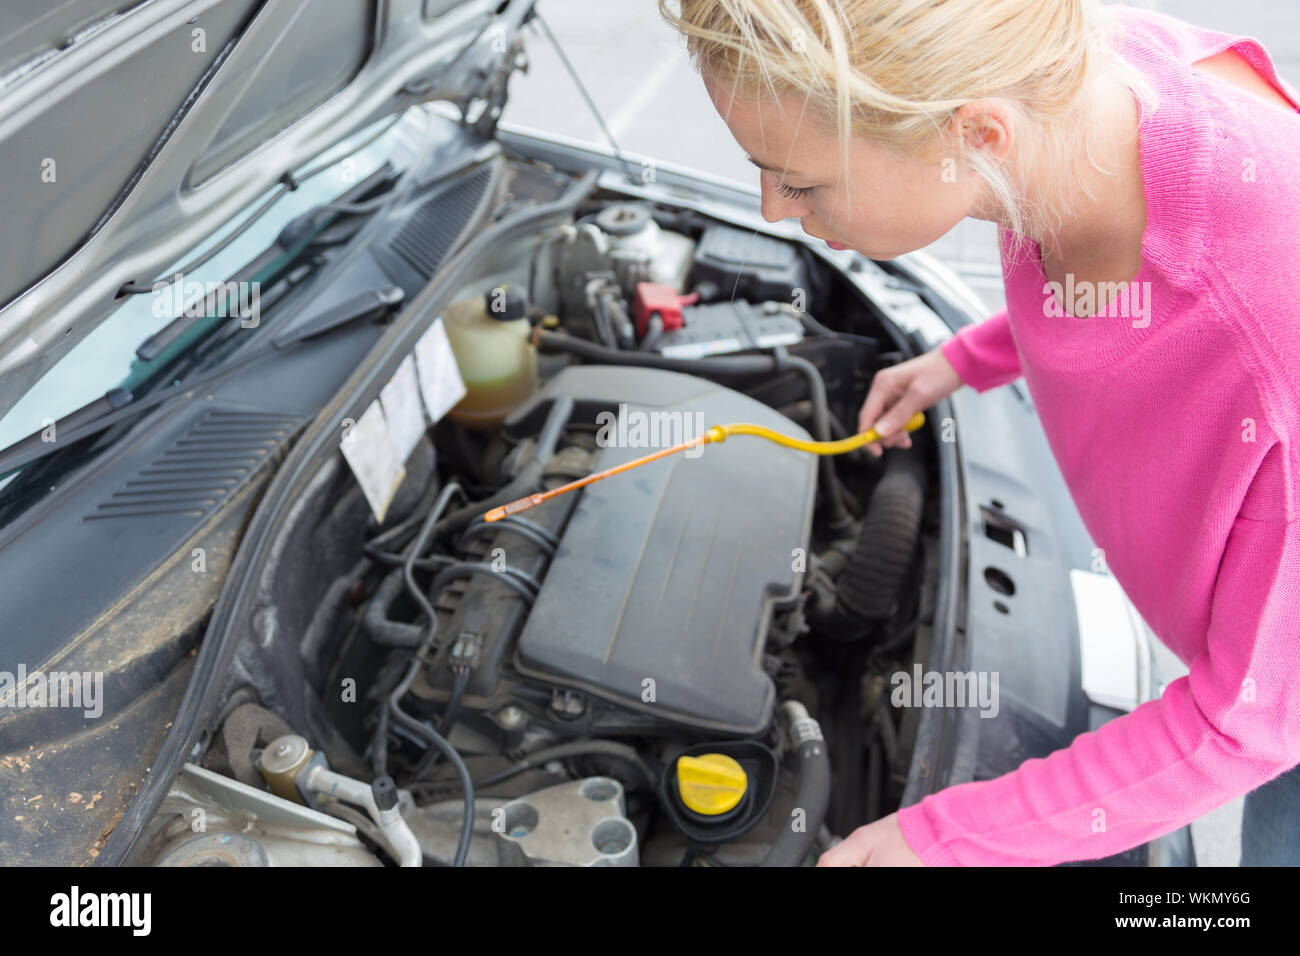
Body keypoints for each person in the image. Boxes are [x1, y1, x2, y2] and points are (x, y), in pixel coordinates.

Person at [659, 0, 1300, 866]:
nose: (773, 211)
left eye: (802, 182)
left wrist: (942, 838)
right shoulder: (1062, 82)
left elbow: (1248, 725)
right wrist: (967, 357)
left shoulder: (1272, 348)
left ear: (978, 135)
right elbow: (1095, 274)